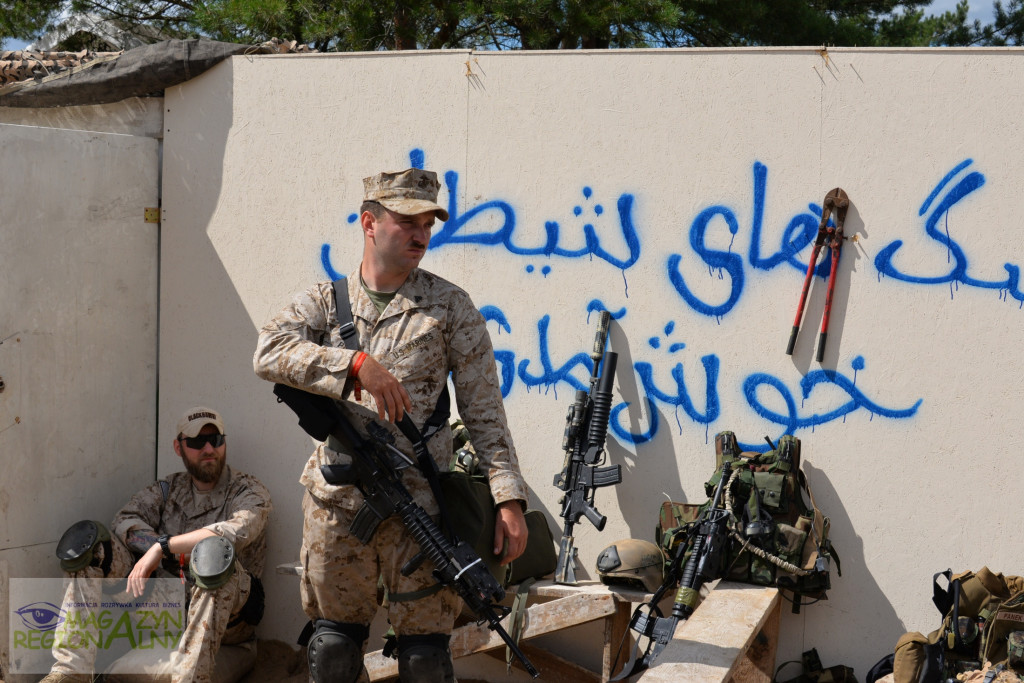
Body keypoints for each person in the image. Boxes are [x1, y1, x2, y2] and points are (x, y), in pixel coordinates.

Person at [253, 168, 530, 683]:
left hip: (419, 506)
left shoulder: (449, 308)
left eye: (428, 222)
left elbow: (485, 413)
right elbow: (267, 352)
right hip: (337, 505)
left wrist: (509, 499)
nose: (421, 233)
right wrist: (353, 367)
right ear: (369, 223)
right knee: (333, 650)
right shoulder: (324, 301)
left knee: (425, 658)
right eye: (407, 221)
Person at [42, 406, 273, 683]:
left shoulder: (248, 490)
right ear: (179, 447)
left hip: (231, 620)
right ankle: (70, 672)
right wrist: (158, 548)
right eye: (198, 442)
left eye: (217, 440)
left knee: (213, 554)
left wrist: (163, 547)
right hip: (170, 605)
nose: (209, 448)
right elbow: (124, 520)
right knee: (90, 544)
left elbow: (233, 532)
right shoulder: (168, 489)